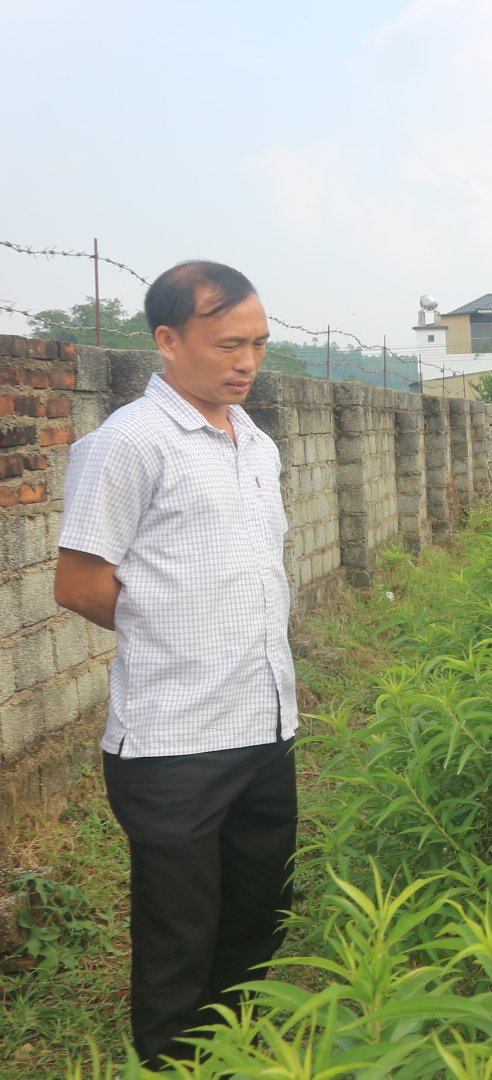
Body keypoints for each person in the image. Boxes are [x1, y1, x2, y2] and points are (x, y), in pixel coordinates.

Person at [53, 260, 298, 1067]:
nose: (247, 363)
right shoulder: (128, 443)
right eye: (230, 344)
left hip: (264, 726)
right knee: (180, 941)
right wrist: (178, 635)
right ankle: (171, 1063)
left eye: (259, 345)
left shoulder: (253, 440)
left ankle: (238, 1055)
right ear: (166, 340)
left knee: (257, 919)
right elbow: (82, 583)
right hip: (174, 742)